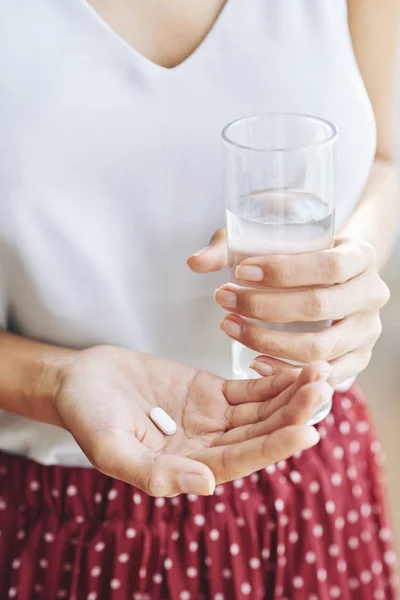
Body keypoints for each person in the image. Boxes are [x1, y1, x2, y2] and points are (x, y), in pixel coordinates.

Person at [0, 0, 398, 598]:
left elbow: (385, 158)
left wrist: (347, 272)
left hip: (307, 468)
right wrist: (53, 380)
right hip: (61, 521)